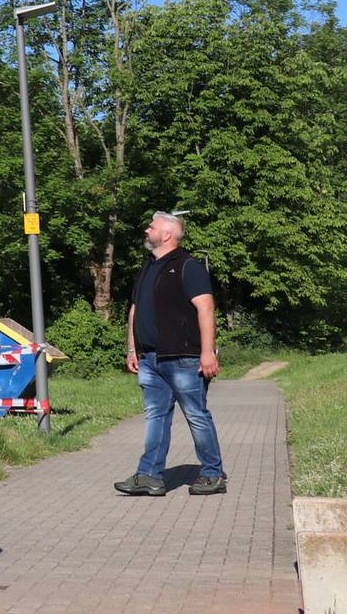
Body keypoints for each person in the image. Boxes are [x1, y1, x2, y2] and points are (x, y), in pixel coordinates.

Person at [115, 210, 227, 497]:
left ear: (166, 234)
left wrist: (207, 352)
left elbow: (206, 308)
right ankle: (149, 476)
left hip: (184, 358)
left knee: (195, 414)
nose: (145, 230)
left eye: (150, 226)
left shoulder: (188, 266)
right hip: (150, 359)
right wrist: (132, 347)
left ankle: (212, 474)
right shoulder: (148, 267)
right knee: (155, 417)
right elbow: (134, 310)